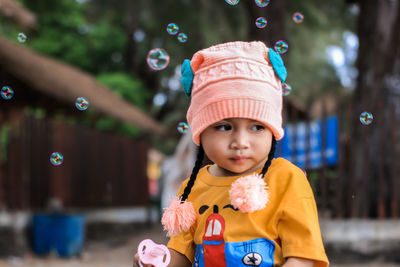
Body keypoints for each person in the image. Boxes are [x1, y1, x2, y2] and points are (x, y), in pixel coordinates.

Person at [133, 41, 329, 267]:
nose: (240, 143)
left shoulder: (286, 180)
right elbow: (181, 256)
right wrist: (158, 263)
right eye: (224, 127)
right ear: (200, 131)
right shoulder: (193, 187)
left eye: (257, 127)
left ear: (273, 130)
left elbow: (304, 257)